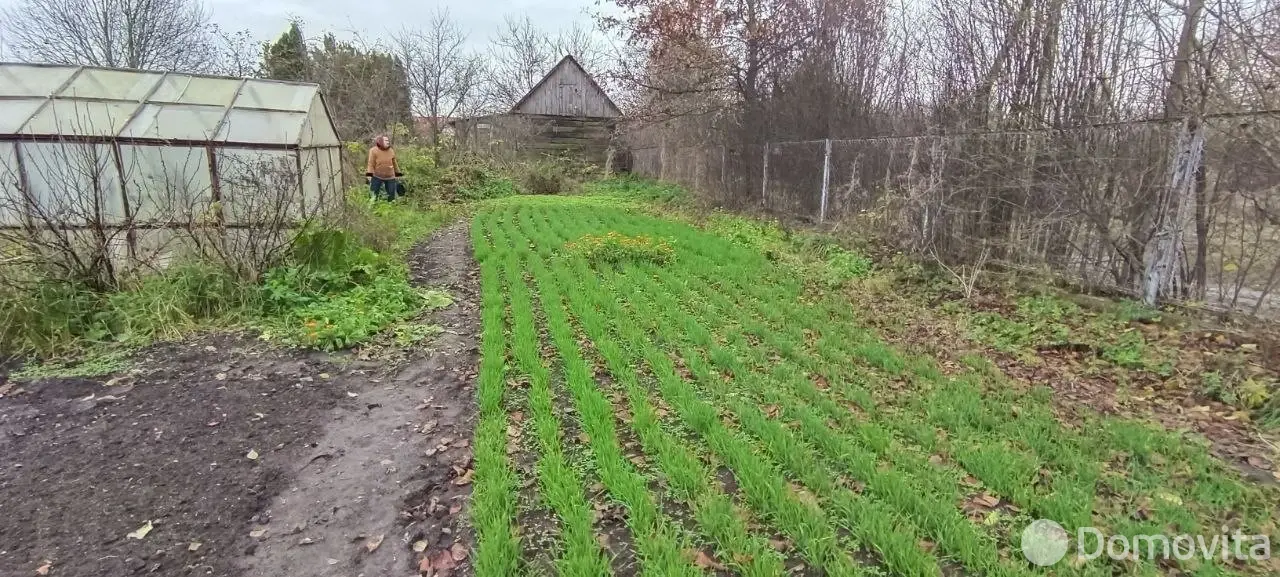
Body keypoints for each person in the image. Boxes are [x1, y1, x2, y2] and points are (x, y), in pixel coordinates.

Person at [366, 135, 403, 201]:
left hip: (390, 176)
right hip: (377, 176)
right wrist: (369, 175)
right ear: (380, 141)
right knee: (373, 194)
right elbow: (371, 163)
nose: (388, 142)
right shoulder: (373, 150)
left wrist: (398, 174)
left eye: (388, 140)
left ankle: (390, 207)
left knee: (391, 194)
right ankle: (373, 206)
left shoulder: (391, 150)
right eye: (386, 141)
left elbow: (395, 163)